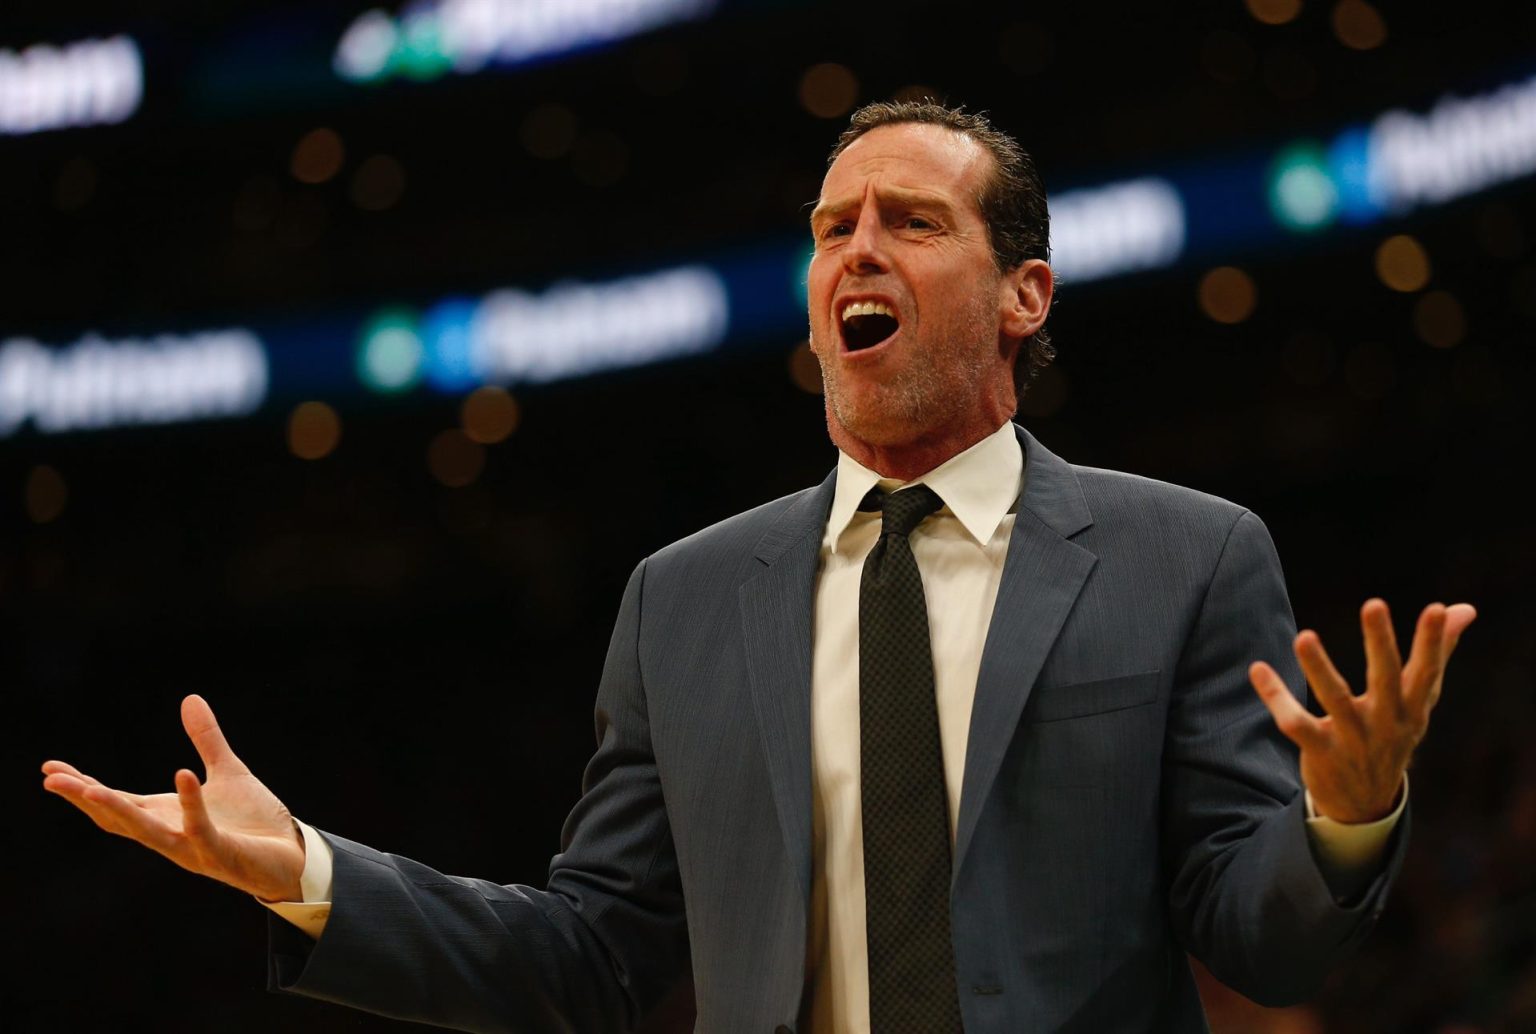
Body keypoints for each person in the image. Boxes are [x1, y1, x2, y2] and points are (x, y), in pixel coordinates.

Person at [41, 103, 1476, 1033]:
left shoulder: (1189, 553)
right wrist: (309, 872)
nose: (857, 247)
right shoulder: (687, 595)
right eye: (831, 228)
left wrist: (1349, 817)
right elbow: (592, 956)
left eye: (910, 222)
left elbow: (1265, 939)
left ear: (1024, 295)